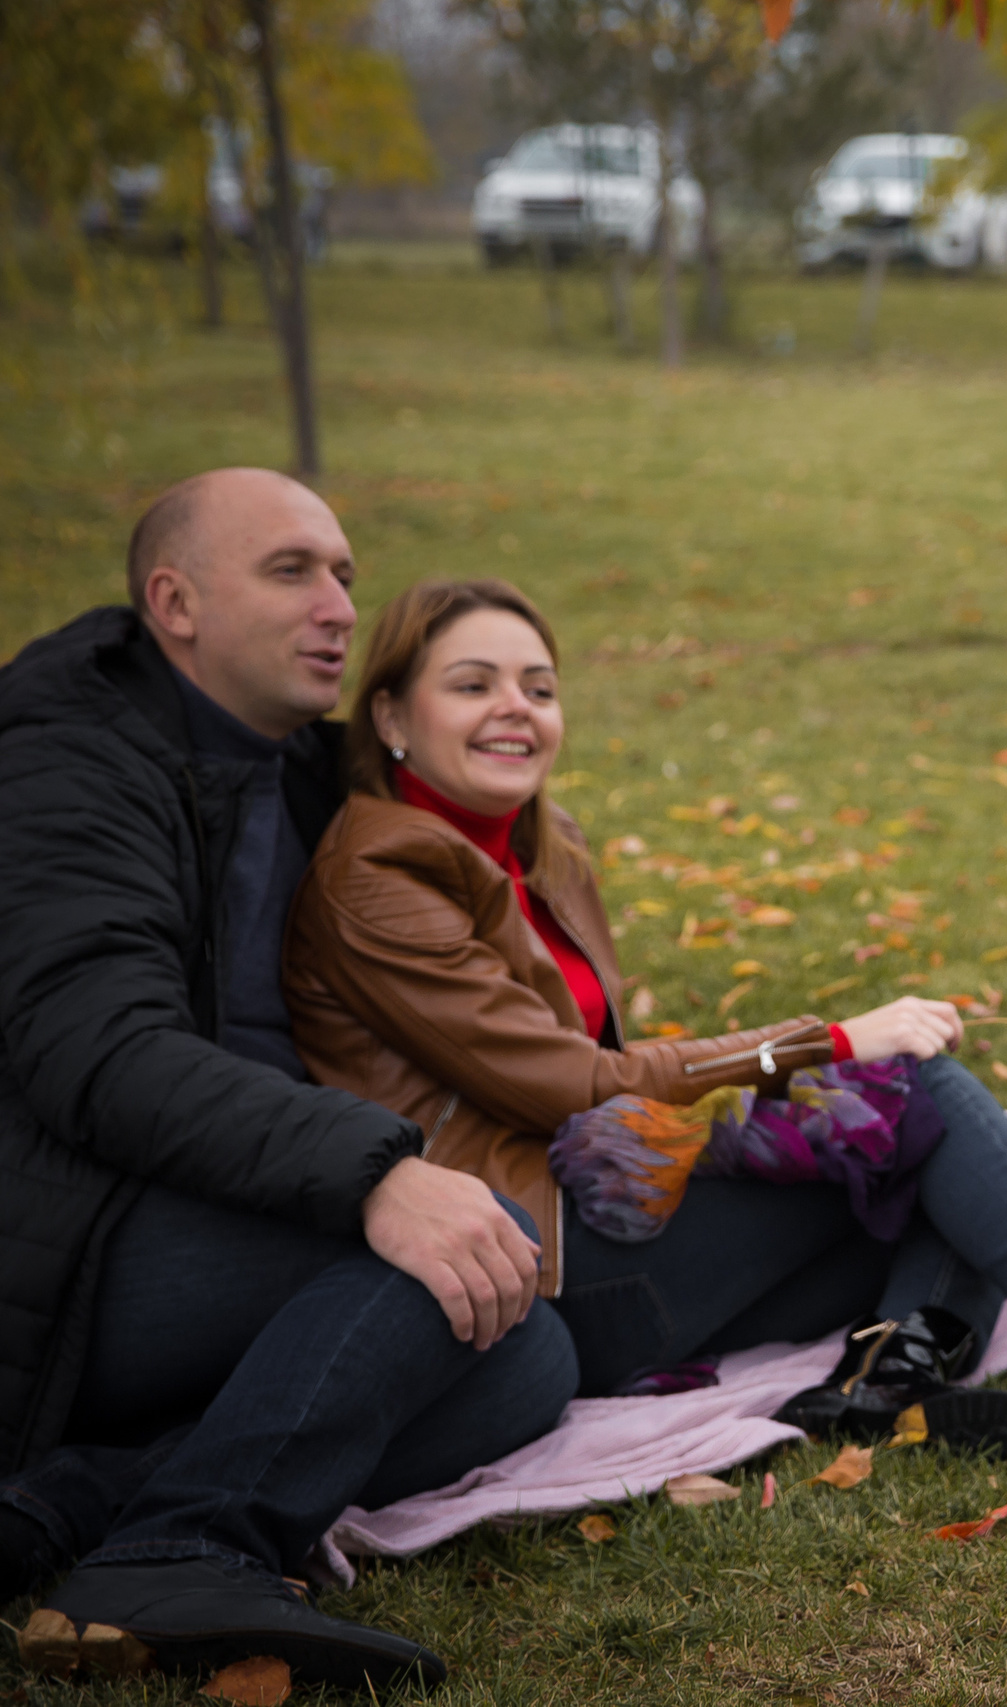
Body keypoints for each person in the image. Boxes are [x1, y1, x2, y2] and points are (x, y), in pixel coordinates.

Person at [283, 578, 1007, 1452]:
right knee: (918, 1103)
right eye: (473, 684)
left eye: (540, 687)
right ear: (391, 717)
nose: (516, 708)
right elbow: (563, 1082)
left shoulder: (535, 845)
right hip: (540, 1268)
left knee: (966, 1169)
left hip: (608, 1208)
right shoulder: (382, 874)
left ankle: (888, 1374)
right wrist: (822, 1045)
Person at [0, 470, 582, 1691]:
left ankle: (65, 1507)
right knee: (445, 1264)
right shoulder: (66, 758)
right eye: (291, 572)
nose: (338, 606)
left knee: (524, 1342)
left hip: (224, 1193)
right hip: (68, 1239)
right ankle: (187, 1547)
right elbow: (96, 1051)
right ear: (176, 603)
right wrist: (373, 1175)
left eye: (345, 577)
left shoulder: (307, 772)